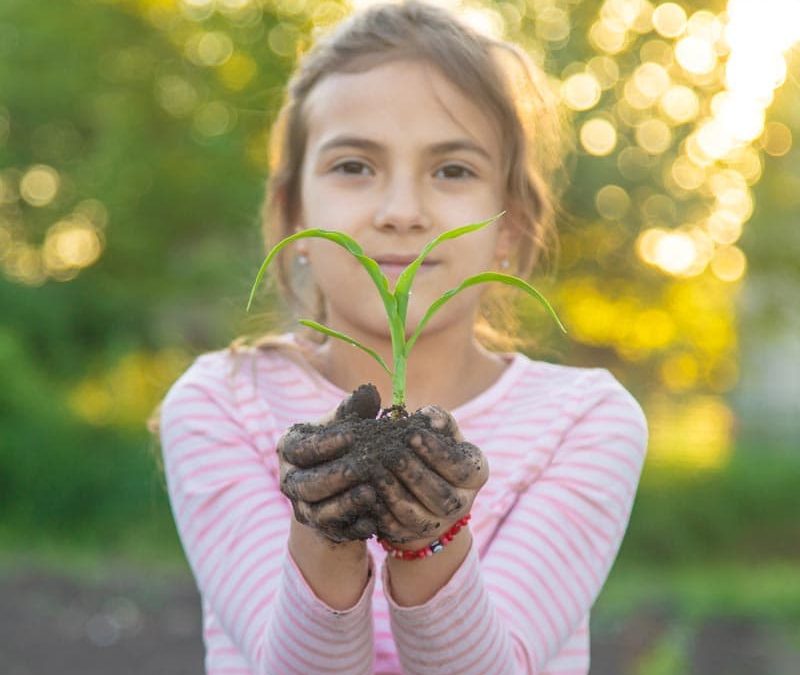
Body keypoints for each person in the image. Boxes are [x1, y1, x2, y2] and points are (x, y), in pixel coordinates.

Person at [157, 2, 648, 673]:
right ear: (293, 212)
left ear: (511, 225)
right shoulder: (221, 402)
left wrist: (431, 541)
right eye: (355, 166)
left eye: (453, 170)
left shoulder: (586, 421)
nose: (402, 213)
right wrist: (323, 528)